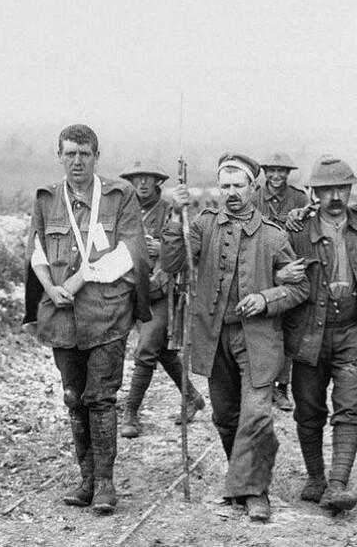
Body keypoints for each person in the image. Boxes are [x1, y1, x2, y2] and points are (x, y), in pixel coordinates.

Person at [162, 153, 309, 523]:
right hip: (213, 338)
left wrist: (266, 298)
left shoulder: (274, 236)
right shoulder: (202, 225)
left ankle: (256, 491)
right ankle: (240, 480)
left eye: (238, 186)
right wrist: (172, 216)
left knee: (256, 415)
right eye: (224, 186)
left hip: (258, 340)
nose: (231, 193)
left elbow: (300, 287)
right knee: (226, 418)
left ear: (253, 188)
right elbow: (171, 263)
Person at [25, 124, 150, 514]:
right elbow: (36, 250)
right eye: (69, 154)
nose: (76, 161)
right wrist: (48, 287)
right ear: (59, 156)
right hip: (62, 315)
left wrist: (78, 280)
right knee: (73, 398)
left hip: (106, 313)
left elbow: (130, 253)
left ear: (96, 156)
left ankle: (106, 484)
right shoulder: (47, 198)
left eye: (84, 154)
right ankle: (86, 479)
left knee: (101, 397)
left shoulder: (119, 196)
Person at [282, 156, 357, 512]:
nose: (335, 196)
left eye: (342, 188)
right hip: (308, 333)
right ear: (314, 193)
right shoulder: (296, 230)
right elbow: (276, 264)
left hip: (353, 332)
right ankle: (315, 477)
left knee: (349, 409)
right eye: (326, 190)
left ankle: (338, 483)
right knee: (308, 410)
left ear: (350, 190)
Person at [117, 160, 205, 439]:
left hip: (162, 289)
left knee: (146, 348)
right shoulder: (123, 211)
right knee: (161, 350)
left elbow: (187, 248)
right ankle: (191, 397)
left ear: (158, 182)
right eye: (137, 178)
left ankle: (131, 412)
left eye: (149, 178)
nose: (142, 183)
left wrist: (164, 245)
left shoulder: (170, 210)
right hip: (130, 286)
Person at [253, 152, 309, 412]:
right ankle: (261, 384)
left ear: (289, 173)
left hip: (290, 266)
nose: (277, 176)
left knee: (288, 328)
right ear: (264, 172)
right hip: (261, 268)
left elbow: (309, 232)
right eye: (271, 171)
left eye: (282, 171)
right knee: (262, 328)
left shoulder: (299, 198)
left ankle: (282, 387)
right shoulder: (253, 198)